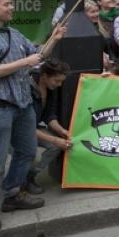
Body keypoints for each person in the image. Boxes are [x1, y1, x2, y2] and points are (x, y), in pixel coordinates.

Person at [0, 0, 66, 228]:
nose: (12, 7)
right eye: (7, 4)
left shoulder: (14, 33)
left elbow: (38, 55)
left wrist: (54, 39)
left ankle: (13, 194)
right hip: (0, 108)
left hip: (23, 105)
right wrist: (25, 62)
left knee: (26, 151)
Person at [26, 59, 72, 195]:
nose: (59, 85)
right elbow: (26, 127)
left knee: (57, 146)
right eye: (57, 81)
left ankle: (29, 177)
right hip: (16, 130)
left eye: (61, 81)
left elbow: (49, 116)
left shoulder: (50, 89)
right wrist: (54, 140)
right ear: (45, 76)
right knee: (31, 154)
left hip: (34, 127)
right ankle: (18, 180)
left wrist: (63, 132)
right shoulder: (27, 87)